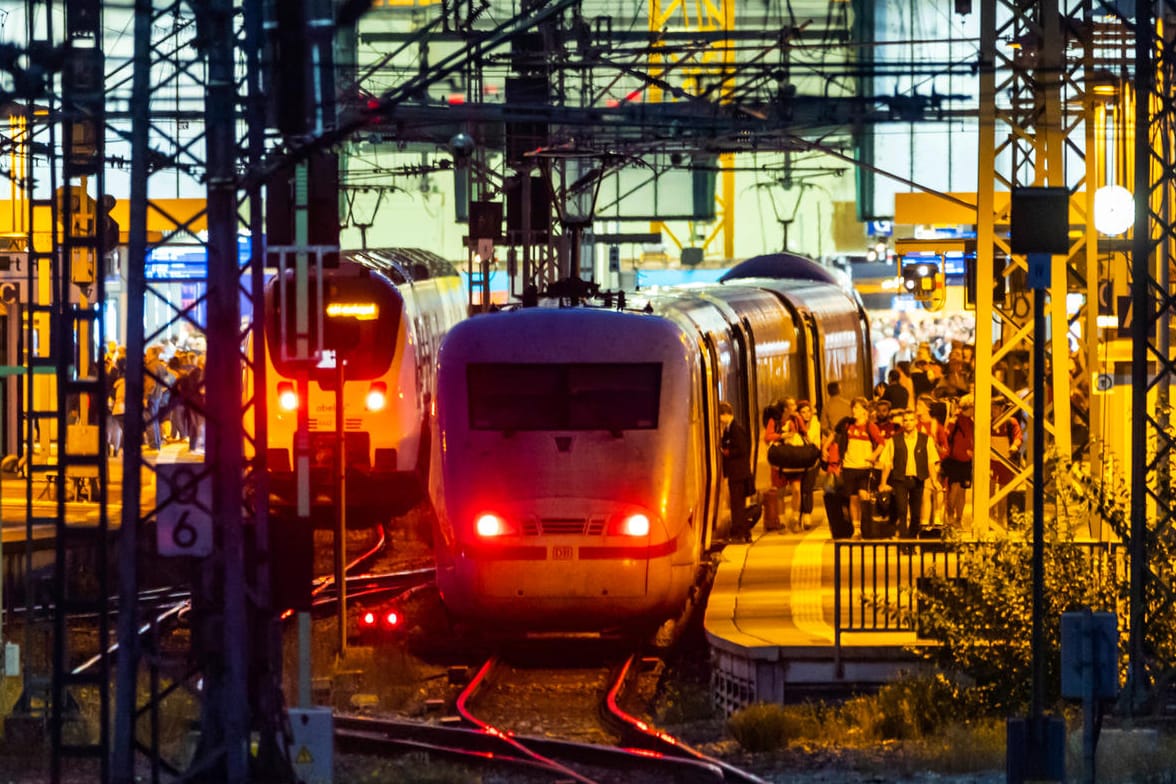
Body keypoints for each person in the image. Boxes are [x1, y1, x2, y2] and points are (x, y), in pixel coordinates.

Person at [878, 409, 941, 540]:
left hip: (918, 479)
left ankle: (912, 539)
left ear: (916, 422)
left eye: (911, 420)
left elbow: (931, 462)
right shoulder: (894, 440)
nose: (908, 423)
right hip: (900, 479)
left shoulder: (926, 440)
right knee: (902, 511)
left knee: (916, 513)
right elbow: (887, 463)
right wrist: (883, 482)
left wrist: (934, 480)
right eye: (905, 420)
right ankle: (904, 540)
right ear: (902, 422)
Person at [840, 397, 884, 539]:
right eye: (853, 407)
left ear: (865, 411)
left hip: (864, 468)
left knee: (863, 496)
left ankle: (867, 527)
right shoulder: (848, 426)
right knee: (853, 499)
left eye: (857, 408)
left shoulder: (870, 426)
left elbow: (882, 443)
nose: (854, 410)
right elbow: (839, 440)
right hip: (849, 467)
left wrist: (873, 455)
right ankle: (856, 529)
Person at [719, 402, 754, 542]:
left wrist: (728, 452)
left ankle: (740, 533)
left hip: (738, 474)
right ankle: (743, 532)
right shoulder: (730, 429)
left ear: (726, 415)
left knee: (737, 505)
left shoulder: (735, 429)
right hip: (737, 473)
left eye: (720, 416)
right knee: (737, 504)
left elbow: (742, 449)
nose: (720, 420)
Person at [942, 394, 976, 530]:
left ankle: (958, 519)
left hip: (967, 460)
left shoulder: (971, 421)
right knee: (954, 489)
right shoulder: (955, 419)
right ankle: (950, 516)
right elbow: (946, 435)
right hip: (955, 460)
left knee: (962, 490)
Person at [796, 400, 822, 531]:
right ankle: (799, 514)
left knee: (808, 487)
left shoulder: (816, 425)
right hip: (799, 460)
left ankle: (807, 514)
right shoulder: (794, 425)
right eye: (803, 412)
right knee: (799, 488)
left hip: (812, 461)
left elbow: (815, 442)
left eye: (808, 411)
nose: (806, 415)